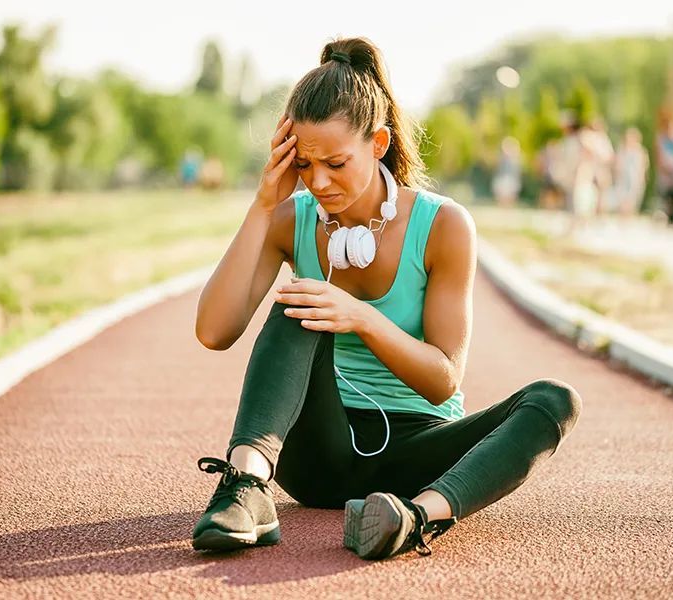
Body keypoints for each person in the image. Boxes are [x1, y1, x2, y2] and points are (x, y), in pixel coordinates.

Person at [191, 37, 583, 561]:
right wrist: (265, 204)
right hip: (317, 456)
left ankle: (414, 519)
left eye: (335, 162)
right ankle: (246, 487)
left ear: (378, 144)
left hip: (417, 457)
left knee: (554, 401)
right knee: (298, 303)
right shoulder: (292, 219)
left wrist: (360, 319)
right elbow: (213, 332)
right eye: (305, 165)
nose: (320, 181)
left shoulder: (442, 225)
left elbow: (444, 380)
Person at [613, 128, 650, 219]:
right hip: (623, 177)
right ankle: (623, 216)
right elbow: (617, 163)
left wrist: (642, 177)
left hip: (634, 177)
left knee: (633, 197)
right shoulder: (622, 149)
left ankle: (629, 216)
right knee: (623, 197)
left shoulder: (640, 150)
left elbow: (644, 165)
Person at [492, 136, 522, 207]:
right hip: (503, 178)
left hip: (511, 178)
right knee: (502, 195)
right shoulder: (502, 158)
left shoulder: (515, 159)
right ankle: (502, 207)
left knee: (511, 195)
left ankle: (509, 207)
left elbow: (516, 171)